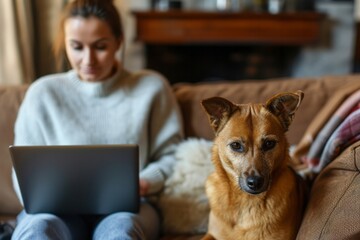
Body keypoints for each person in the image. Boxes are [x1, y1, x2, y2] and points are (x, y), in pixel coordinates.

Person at [11, 0, 184, 239]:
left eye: (100, 46)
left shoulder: (151, 87)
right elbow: (23, 175)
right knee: (38, 230)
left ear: (119, 42)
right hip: (56, 212)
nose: (88, 60)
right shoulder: (43, 94)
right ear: (65, 43)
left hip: (128, 209)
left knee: (121, 231)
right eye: (76, 47)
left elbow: (174, 156)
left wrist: (143, 182)